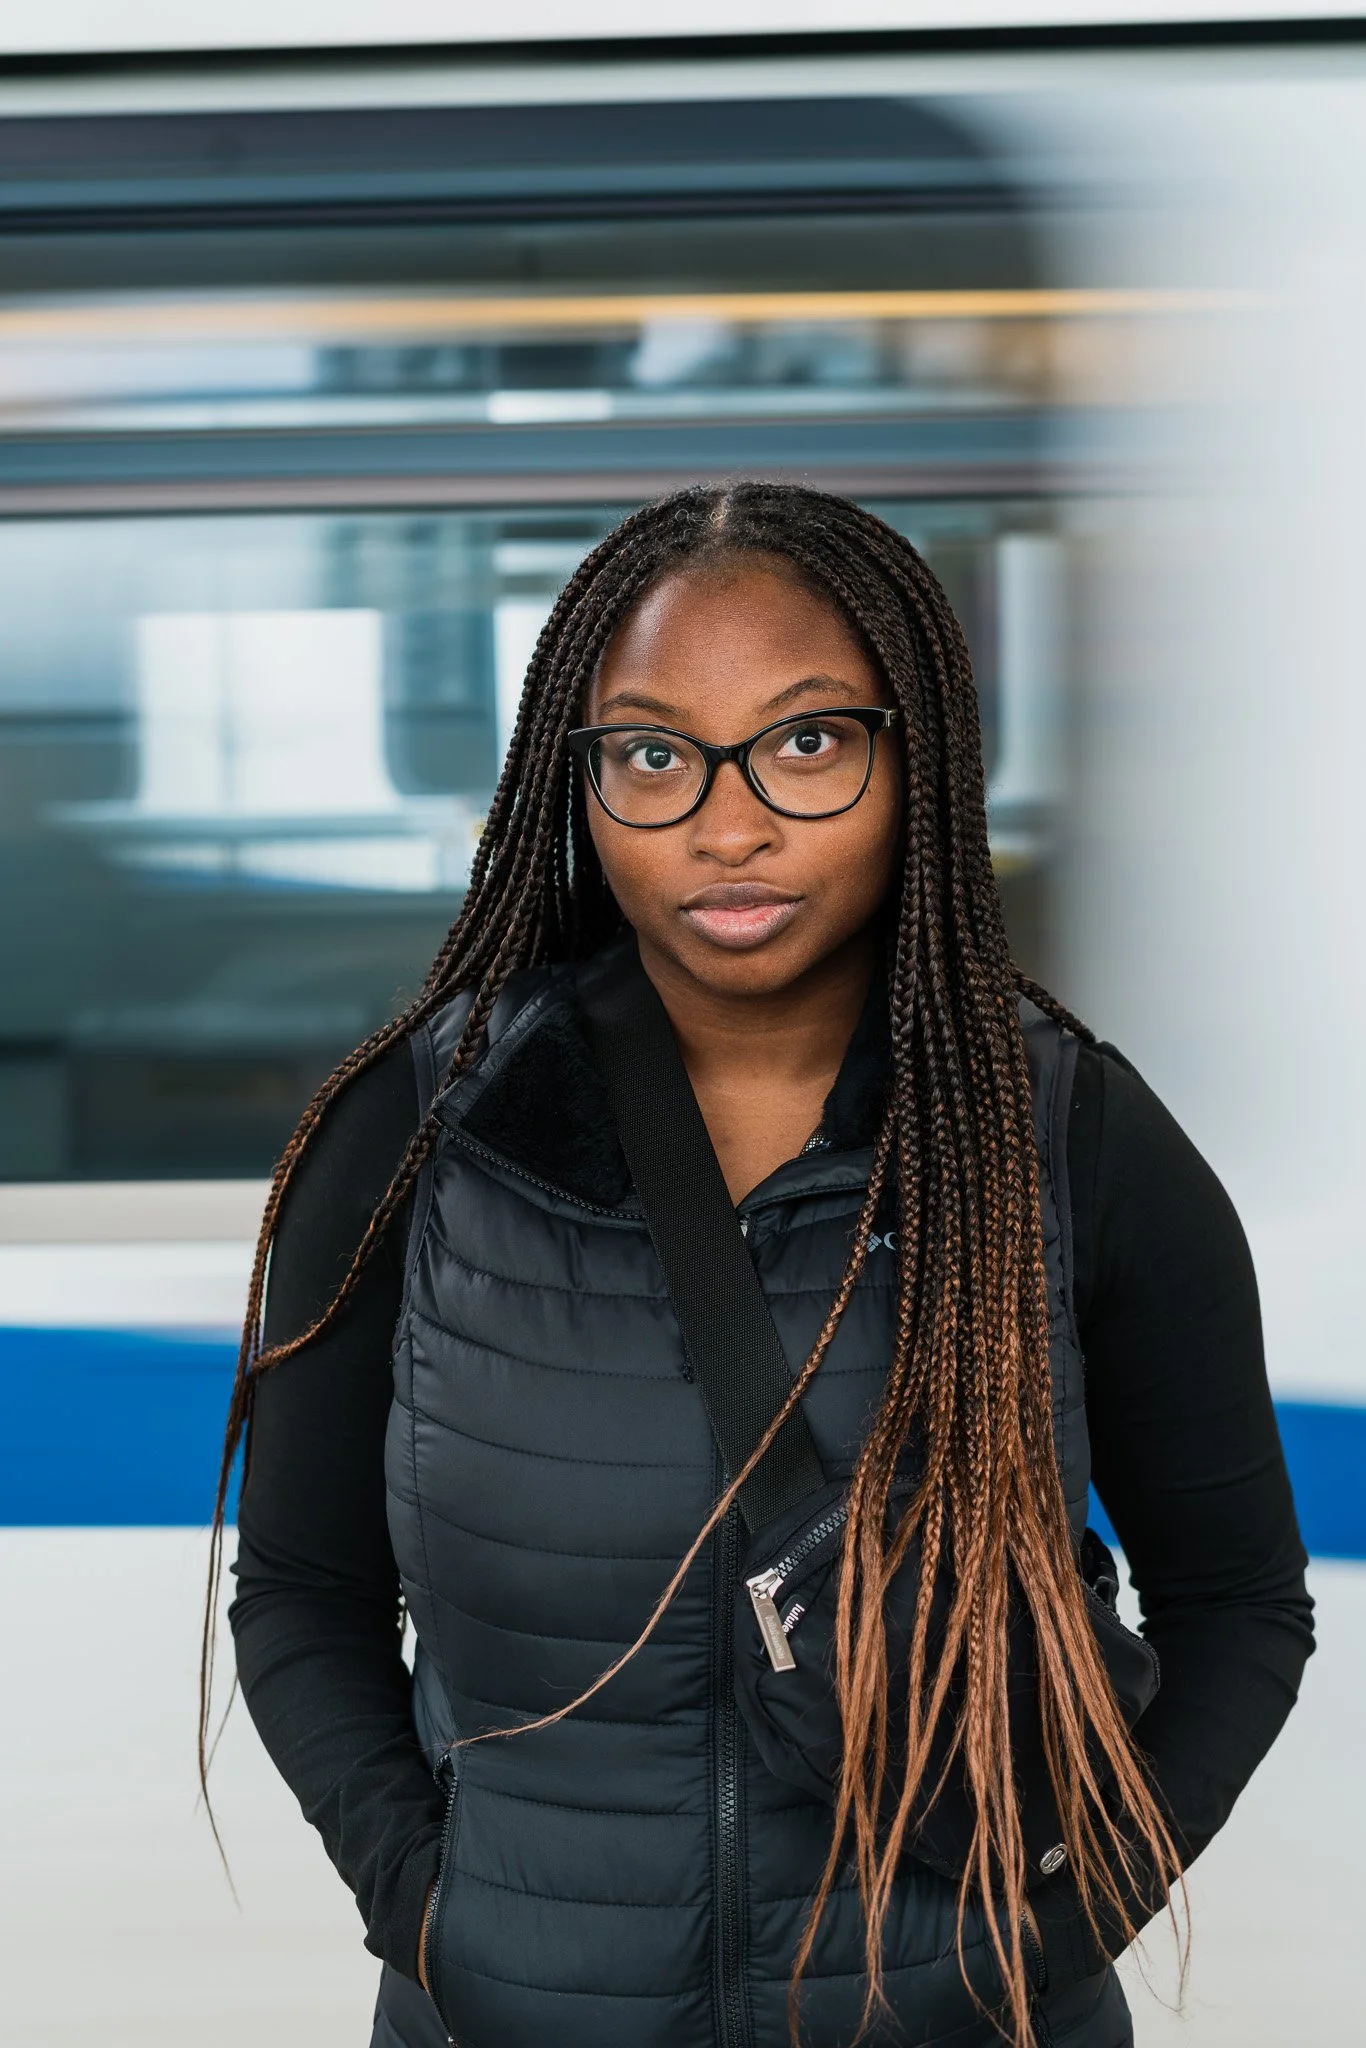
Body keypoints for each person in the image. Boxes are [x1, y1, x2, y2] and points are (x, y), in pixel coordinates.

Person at [213, 484, 1312, 2048]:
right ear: (572, 785)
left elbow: (1241, 1608)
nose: (727, 825)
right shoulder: (413, 1129)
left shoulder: (1071, 1138)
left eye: (804, 743)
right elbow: (302, 1596)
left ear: (909, 757)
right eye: (653, 754)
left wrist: (1054, 1934)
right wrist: (436, 1920)